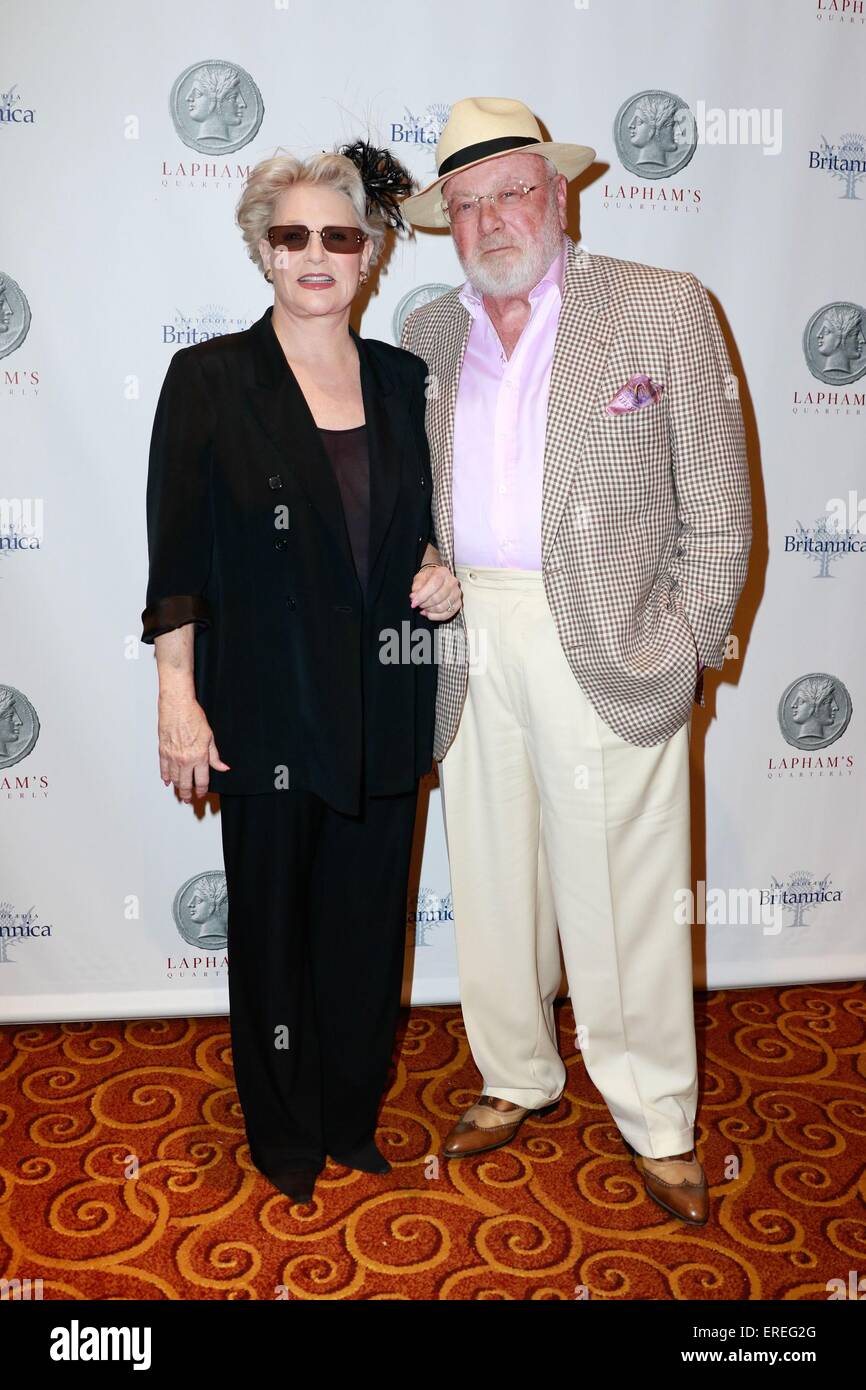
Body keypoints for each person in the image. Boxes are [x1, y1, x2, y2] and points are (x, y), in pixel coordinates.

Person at [400, 97, 752, 1225]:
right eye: (465, 203)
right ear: (446, 223)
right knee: (494, 874)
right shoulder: (426, 334)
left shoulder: (659, 307)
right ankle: (515, 1074)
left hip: (606, 630)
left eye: (510, 190)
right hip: (469, 634)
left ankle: (656, 1116)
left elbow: (719, 503)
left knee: (624, 892)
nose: (491, 217)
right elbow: (408, 495)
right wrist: (421, 569)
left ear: (556, 195)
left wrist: (688, 640)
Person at [140, 140, 463, 1205]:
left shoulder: (402, 378)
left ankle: (349, 1115)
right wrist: (177, 698)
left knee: (367, 924)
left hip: (381, 697)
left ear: (370, 253)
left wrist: (431, 570)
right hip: (268, 705)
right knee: (274, 925)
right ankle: (282, 1133)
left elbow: (410, 532)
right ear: (262, 251)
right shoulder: (211, 379)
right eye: (293, 236)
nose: (316, 253)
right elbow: (177, 557)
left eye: (339, 234)